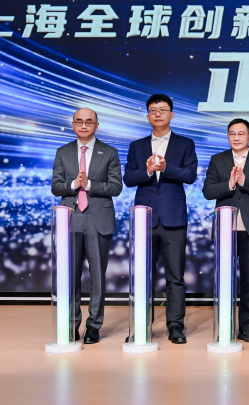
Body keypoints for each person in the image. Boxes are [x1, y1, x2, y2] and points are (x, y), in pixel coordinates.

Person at [123, 94, 198, 344]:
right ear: (147, 116)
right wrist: (147, 171)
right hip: (144, 218)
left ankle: (175, 326)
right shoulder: (137, 146)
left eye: (163, 110)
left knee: (175, 276)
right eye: (153, 110)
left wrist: (165, 168)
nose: (158, 114)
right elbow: (128, 179)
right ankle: (142, 326)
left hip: (173, 218)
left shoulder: (185, 144)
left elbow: (190, 175)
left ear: (172, 114)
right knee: (144, 275)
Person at [50, 107, 123, 345]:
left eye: (88, 122)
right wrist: (74, 184)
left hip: (98, 218)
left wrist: (90, 184)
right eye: (79, 121)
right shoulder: (63, 152)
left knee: (98, 276)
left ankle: (94, 325)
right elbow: (56, 186)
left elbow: (116, 187)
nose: (84, 125)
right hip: (71, 218)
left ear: (96, 125)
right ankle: (72, 324)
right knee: (70, 275)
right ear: (73, 125)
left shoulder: (109, 152)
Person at [201, 118, 249, 343]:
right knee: (224, 279)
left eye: (241, 134)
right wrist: (229, 185)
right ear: (227, 137)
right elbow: (208, 191)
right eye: (232, 134)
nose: (236, 137)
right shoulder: (218, 159)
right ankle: (225, 326)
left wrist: (244, 181)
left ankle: (247, 328)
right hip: (225, 228)